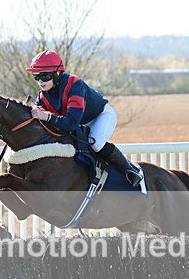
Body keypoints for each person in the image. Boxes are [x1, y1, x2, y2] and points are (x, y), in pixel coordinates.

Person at [27, 50, 142, 187]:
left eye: (45, 76)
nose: (40, 81)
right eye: (36, 76)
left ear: (57, 74)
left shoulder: (75, 85)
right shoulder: (43, 96)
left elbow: (70, 123)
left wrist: (47, 116)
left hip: (100, 115)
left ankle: (130, 170)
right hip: (79, 122)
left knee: (95, 142)